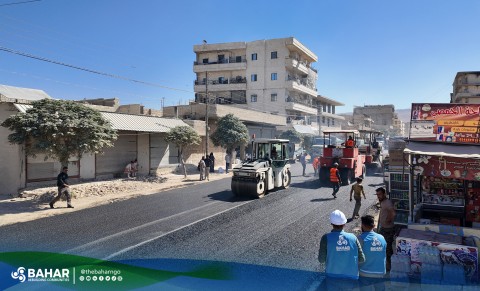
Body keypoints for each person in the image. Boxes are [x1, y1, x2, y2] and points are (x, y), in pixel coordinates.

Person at [318, 210, 365, 289]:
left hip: (332, 277)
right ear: (344, 224)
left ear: (331, 224)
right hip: (351, 277)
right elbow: (361, 259)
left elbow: (321, 260)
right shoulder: (353, 237)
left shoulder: (326, 237)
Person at [358, 215, 387, 279]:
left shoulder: (360, 239)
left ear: (362, 225)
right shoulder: (382, 238)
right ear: (373, 226)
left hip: (365, 273)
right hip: (380, 273)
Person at [375, 187, 396, 272]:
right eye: (377, 195)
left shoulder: (387, 203)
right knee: (383, 247)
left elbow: (393, 213)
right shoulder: (383, 202)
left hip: (388, 230)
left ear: (384, 194)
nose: (378, 196)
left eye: (379, 194)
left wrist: (388, 220)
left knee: (387, 249)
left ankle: (389, 267)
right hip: (383, 228)